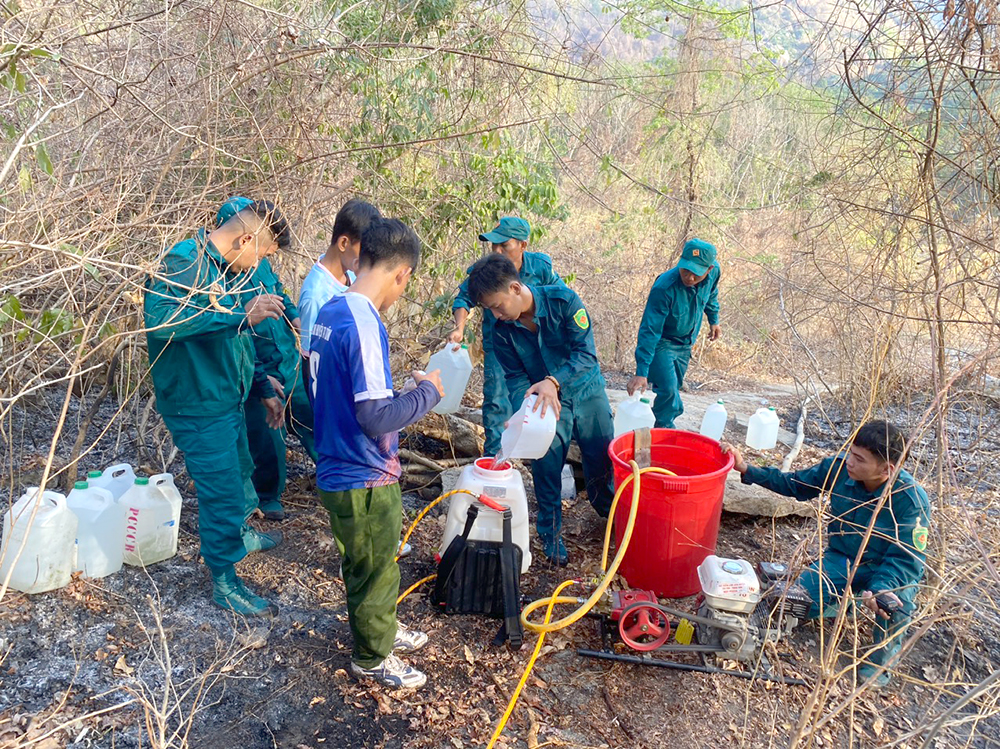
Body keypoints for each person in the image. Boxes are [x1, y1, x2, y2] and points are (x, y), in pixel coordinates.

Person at [310, 217, 444, 689]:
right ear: (401, 273)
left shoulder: (330, 309)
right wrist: (427, 394)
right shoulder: (364, 323)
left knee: (368, 560)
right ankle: (372, 656)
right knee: (374, 565)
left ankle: (381, 628)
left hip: (335, 462)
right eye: (404, 285)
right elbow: (375, 417)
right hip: (362, 473)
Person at [144, 199, 289, 617]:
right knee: (221, 491)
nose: (259, 263)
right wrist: (238, 318)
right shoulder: (184, 262)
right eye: (261, 254)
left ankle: (239, 533)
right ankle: (224, 581)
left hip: (229, 397)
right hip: (198, 403)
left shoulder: (229, 271)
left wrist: (262, 387)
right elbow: (161, 322)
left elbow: (241, 342)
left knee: (240, 471)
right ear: (245, 239)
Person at [723, 420, 931, 687]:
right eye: (851, 453)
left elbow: (906, 559)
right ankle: (847, 603)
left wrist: (882, 589)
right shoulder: (839, 469)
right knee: (796, 603)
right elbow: (794, 484)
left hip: (884, 570)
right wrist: (747, 469)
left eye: (859, 459)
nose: (849, 462)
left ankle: (878, 669)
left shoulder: (910, 499)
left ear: (887, 469)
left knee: (895, 606)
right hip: (841, 560)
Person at [466, 254, 614, 566]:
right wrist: (524, 410)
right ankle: (551, 534)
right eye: (489, 309)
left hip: (587, 393)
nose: (495, 313)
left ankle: (610, 516)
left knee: (600, 461)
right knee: (546, 469)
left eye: (497, 305)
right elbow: (515, 376)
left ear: (516, 288)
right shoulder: (501, 329)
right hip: (545, 405)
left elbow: (586, 355)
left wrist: (553, 380)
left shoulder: (564, 302)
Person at [214, 198, 317, 522]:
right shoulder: (223, 278)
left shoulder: (261, 264)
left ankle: (334, 476)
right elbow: (235, 340)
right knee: (267, 436)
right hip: (261, 371)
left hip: (289, 358)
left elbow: (282, 296)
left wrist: (297, 319)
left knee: (312, 418)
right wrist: (259, 378)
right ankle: (268, 495)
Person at [448, 217, 563, 457]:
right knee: (497, 401)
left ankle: (537, 455)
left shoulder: (540, 267)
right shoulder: (486, 272)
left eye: (504, 245)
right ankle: (496, 459)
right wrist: (459, 328)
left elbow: (559, 295)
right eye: (494, 246)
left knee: (542, 399)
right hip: (500, 347)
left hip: (538, 346)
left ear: (523, 245)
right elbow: (463, 298)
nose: (497, 251)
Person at [627, 238, 721, 428]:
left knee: (673, 388)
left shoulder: (714, 273)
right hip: (663, 342)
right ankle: (664, 432)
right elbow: (649, 330)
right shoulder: (664, 287)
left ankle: (656, 427)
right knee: (669, 391)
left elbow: (711, 294)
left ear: (709, 270)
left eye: (696, 273)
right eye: (686, 270)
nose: (690, 278)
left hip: (686, 344)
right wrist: (641, 372)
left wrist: (713, 319)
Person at [298, 198, 382, 354]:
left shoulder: (351, 273)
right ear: (343, 243)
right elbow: (310, 359)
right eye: (363, 249)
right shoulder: (316, 297)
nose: (367, 257)